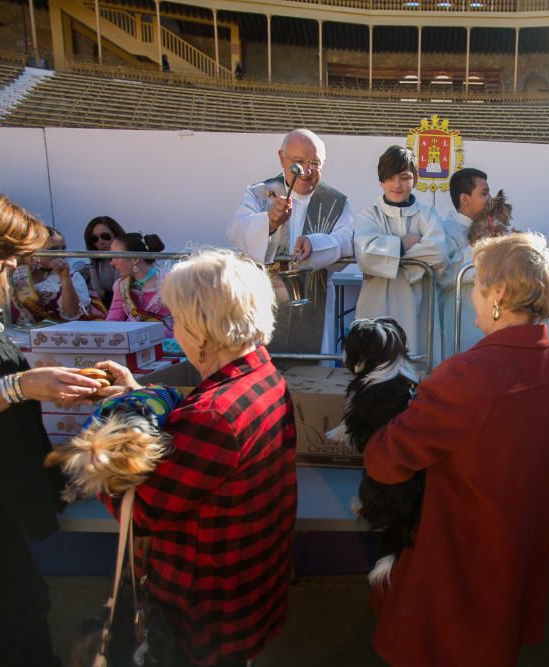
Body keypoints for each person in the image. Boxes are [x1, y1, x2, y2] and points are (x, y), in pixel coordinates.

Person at [363, 232, 549, 666]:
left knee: (445, 646)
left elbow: (386, 460)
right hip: (515, 545)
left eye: (478, 285)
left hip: (458, 550)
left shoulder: (469, 373)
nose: (476, 298)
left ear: (499, 292)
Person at [99, 249, 298, 667]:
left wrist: (108, 436)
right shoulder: (263, 372)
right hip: (248, 594)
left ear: (202, 330)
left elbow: (138, 512)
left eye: (176, 318)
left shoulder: (212, 415)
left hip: (202, 615)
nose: (173, 327)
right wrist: (138, 396)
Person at [0, 179, 104, 667]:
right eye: (6, 253)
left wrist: (34, 380)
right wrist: (21, 386)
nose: (14, 263)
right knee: (21, 613)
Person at [228, 128, 353, 355]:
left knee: (312, 373)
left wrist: (314, 244)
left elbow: (345, 242)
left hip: (316, 305)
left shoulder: (336, 202)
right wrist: (269, 222)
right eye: (298, 161)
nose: (305, 171)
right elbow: (237, 231)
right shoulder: (260, 194)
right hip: (264, 302)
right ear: (281, 158)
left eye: (314, 163)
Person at [353, 145, 447, 361]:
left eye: (404, 177)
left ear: (414, 178)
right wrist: (404, 244)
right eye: (390, 178)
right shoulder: (369, 216)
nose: (397, 185)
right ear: (381, 181)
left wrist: (388, 256)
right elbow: (365, 255)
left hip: (417, 307)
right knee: (375, 365)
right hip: (375, 305)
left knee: (415, 365)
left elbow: (438, 253)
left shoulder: (427, 215)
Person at [440, 166, 491, 360]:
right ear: (464, 199)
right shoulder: (444, 230)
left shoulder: (492, 227)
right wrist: (478, 246)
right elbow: (443, 274)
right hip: (457, 319)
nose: (490, 199)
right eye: (484, 193)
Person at [9, 225, 92, 325]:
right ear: (34, 250)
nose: (61, 254)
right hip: (19, 337)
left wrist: (65, 278)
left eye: (63, 248)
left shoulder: (72, 276)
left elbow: (72, 313)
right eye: (53, 249)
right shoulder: (15, 273)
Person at [107, 232, 174, 337]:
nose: (111, 262)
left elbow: (183, 325)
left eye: (115, 256)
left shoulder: (171, 283)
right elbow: (112, 324)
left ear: (135, 258)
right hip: (134, 346)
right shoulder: (121, 287)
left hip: (166, 346)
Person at [82, 214, 126, 311]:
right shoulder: (96, 261)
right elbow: (97, 292)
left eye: (105, 236)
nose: (100, 242)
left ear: (116, 235)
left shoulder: (128, 259)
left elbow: (119, 291)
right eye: (94, 239)